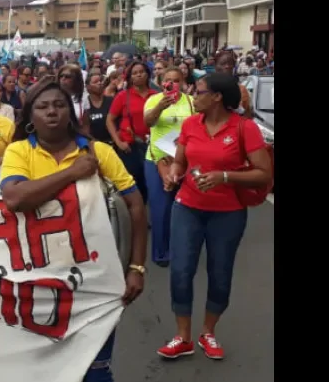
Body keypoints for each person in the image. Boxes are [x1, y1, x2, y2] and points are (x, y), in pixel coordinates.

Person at [0, 81, 147, 382]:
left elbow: (136, 205)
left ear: (70, 112)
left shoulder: (98, 151)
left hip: (96, 280)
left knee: (96, 370)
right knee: (44, 370)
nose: (51, 112)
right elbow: (15, 198)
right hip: (38, 281)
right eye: (42, 106)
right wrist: (73, 173)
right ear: (30, 116)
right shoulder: (19, 152)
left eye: (59, 105)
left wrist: (136, 267)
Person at [157, 73, 272, 361]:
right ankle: (183, 337)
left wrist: (224, 176)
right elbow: (180, 160)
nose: (193, 97)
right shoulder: (190, 124)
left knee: (220, 275)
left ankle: (208, 331)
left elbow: (264, 173)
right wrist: (173, 174)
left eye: (198, 92)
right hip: (187, 207)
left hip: (228, 214)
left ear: (217, 97)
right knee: (181, 272)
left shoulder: (245, 128)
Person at [143, 67, 194, 266]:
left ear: (182, 82)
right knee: (161, 209)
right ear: (162, 81)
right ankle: (161, 253)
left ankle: (182, 249)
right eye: (168, 80)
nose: (171, 83)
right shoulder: (154, 100)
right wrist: (160, 108)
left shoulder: (190, 102)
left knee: (184, 208)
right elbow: (147, 122)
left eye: (176, 80)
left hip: (184, 160)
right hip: (157, 159)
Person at [105, 61, 158, 203]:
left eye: (142, 71)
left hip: (152, 146)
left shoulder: (157, 96)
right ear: (130, 77)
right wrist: (118, 142)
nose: (139, 75)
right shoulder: (123, 96)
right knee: (133, 185)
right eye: (135, 73)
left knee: (150, 183)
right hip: (129, 147)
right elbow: (110, 120)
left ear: (148, 74)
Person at [82, 72, 113, 144]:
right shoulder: (85, 104)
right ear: (88, 86)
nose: (99, 83)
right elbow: (85, 129)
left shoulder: (111, 100)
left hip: (112, 143)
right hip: (94, 144)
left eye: (100, 81)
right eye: (95, 82)